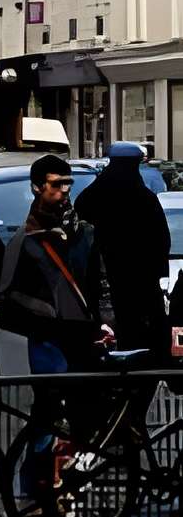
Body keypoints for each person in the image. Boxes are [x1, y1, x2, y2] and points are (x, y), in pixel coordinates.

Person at [0, 154, 114, 510]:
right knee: (48, 415)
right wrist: (46, 315)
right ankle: (39, 491)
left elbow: (101, 283)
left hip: (82, 336)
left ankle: (69, 489)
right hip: (48, 340)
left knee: (81, 415)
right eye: (56, 185)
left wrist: (106, 320)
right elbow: (9, 296)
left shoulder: (85, 233)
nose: (64, 191)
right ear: (37, 187)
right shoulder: (25, 240)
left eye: (67, 184)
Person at [77, 141, 169, 359]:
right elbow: (161, 240)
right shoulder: (145, 199)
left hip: (105, 280)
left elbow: (80, 221)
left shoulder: (95, 194)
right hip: (140, 284)